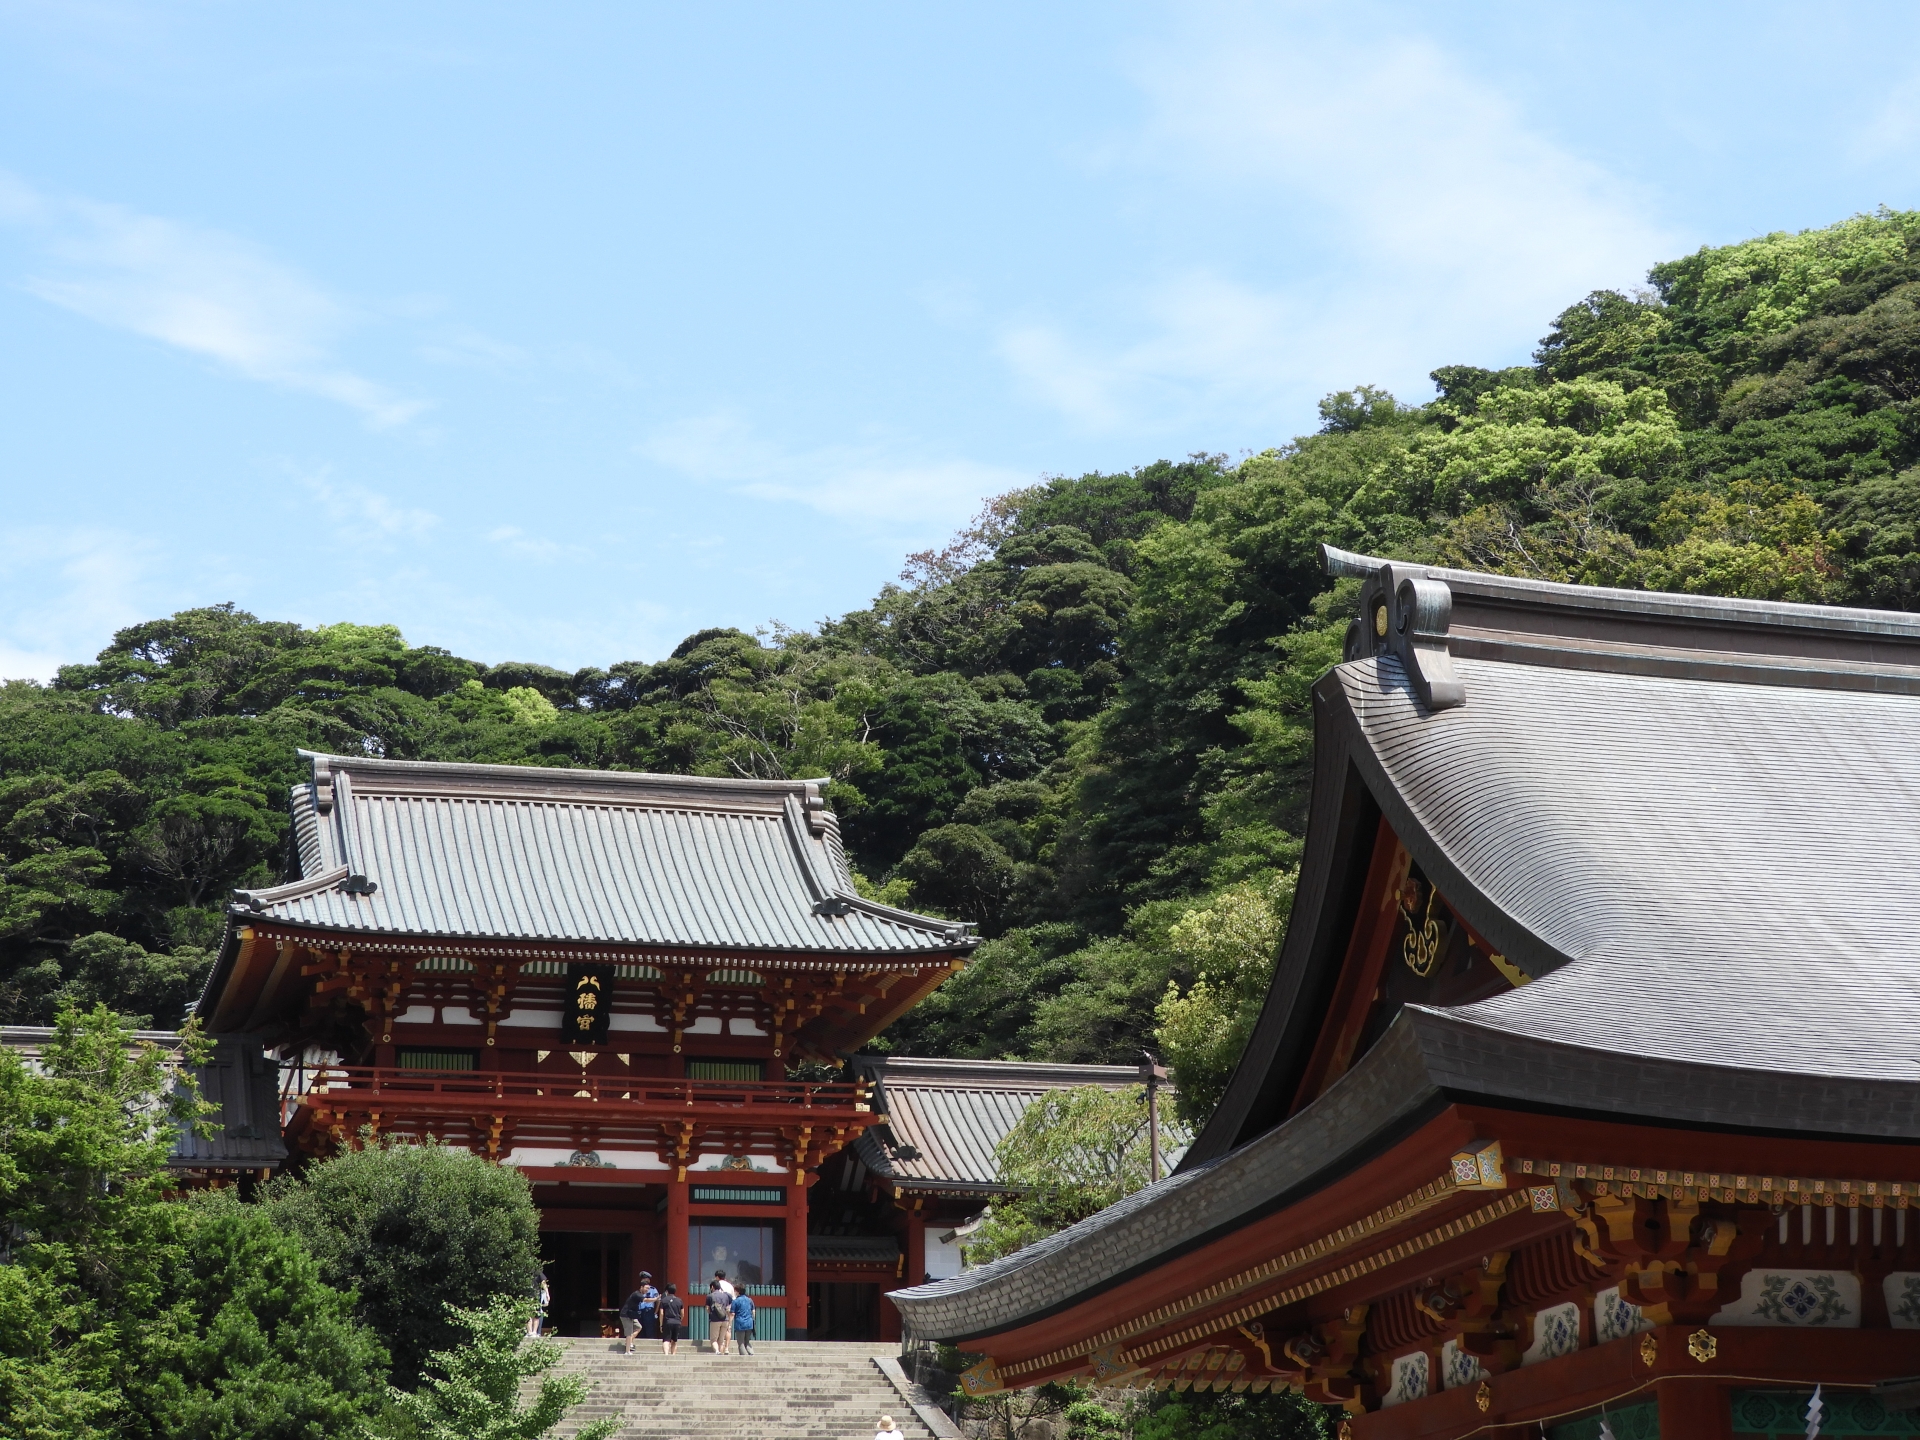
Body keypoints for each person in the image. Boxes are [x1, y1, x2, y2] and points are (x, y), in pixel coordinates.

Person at [707, 1272, 735, 1354]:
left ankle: (717, 1351)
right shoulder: (730, 1286)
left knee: (714, 1338)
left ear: (717, 1277)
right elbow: (732, 1300)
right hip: (726, 1313)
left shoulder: (713, 1291)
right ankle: (726, 1349)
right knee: (726, 1332)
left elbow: (708, 1307)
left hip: (716, 1316)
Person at [619, 1281, 648, 1354]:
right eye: (646, 1288)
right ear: (641, 1287)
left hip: (631, 1315)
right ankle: (627, 1351)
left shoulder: (640, 1294)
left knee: (638, 1327)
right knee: (629, 1333)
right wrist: (655, 1299)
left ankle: (629, 1342)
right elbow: (646, 1300)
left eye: (648, 1289)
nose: (647, 1290)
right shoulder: (637, 1294)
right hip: (626, 1315)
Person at [659, 1282, 684, 1356]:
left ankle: (666, 1354)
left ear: (667, 1291)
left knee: (666, 1340)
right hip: (677, 1322)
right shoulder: (679, 1301)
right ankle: (673, 1355)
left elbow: (661, 1313)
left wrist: (661, 1324)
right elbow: (682, 1313)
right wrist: (680, 1320)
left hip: (667, 1321)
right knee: (674, 1340)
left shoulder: (663, 1300)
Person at [730, 1286, 755, 1356]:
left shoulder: (735, 1301)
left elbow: (732, 1314)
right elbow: (753, 1311)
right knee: (747, 1341)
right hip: (749, 1323)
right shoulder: (750, 1300)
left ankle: (744, 1357)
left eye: (735, 1291)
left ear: (738, 1292)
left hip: (740, 1323)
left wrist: (729, 1324)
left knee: (741, 1342)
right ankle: (751, 1353)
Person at [637, 1273, 660, 1340]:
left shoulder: (653, 1289)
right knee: (640, 1330)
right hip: (640, 1312)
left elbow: (658, 1301)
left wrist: (655, 1312)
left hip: (649, 1312)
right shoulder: (640, 1290)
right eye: (643, 1279)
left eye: (646, 1279)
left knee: (650, 1331)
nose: (645, 1280)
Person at [529, 1269, 550, 1337]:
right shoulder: (524, 1271)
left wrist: (547, 1293)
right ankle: (529, 1332)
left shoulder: (537, 1272)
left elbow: (543, 1282)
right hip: (527, 1295)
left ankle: (534, 1332)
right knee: (528, 1314)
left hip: (536, 1295)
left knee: (536, 1314)